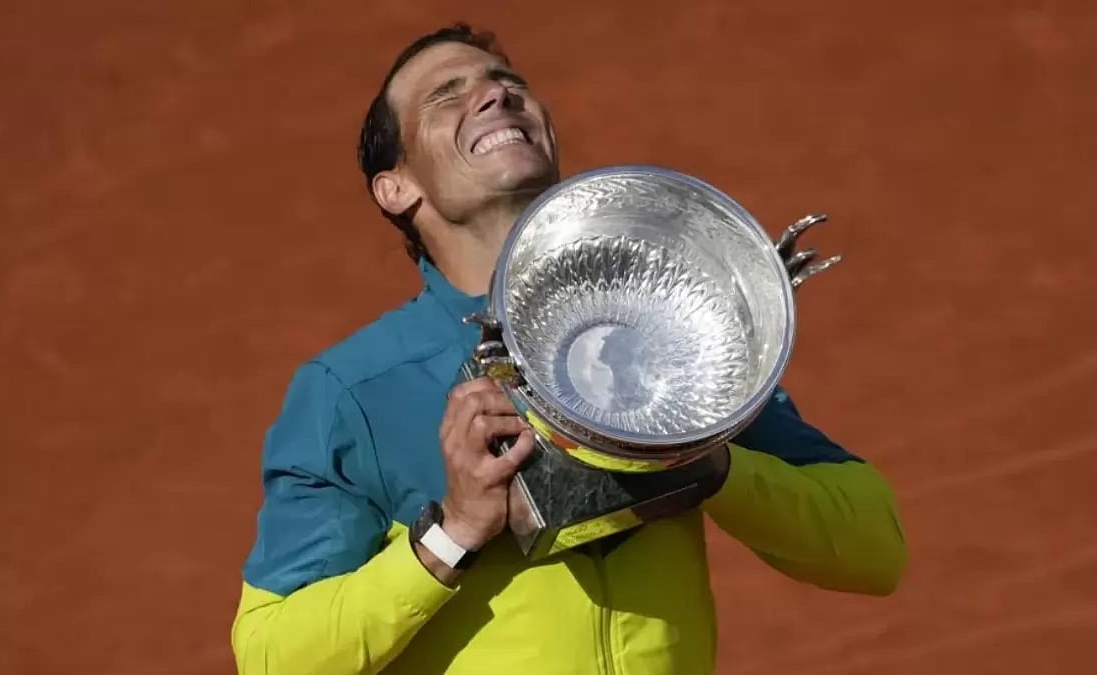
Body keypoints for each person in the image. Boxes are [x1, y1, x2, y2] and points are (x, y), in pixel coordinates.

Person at [230, 23, 907, 675]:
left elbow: (875, 547)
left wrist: (704, 460)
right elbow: (270, 654)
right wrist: (454, 531)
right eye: (448, 94)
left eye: (506, 79)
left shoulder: (656, 333)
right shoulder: (355, 390)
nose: (495, 94)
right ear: (396, 186)